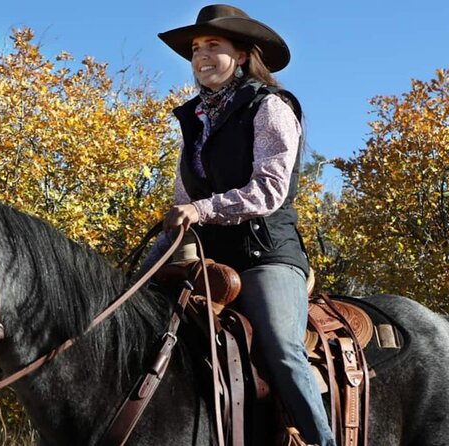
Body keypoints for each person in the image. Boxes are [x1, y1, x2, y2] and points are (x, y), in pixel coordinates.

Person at [150, 4, 336, 446]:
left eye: (213, 45)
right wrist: (146, 269)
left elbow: (269, 191)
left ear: (243, 54)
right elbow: (183, 202)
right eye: (195, 48)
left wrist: (201, 211)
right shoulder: (194, 120)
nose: (201, 56)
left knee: (281, 349)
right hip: (210, 258)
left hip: (266, 254)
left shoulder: (270, 106)